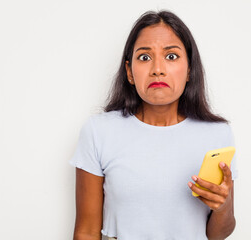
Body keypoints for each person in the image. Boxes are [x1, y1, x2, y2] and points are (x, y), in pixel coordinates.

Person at [69, 9, 238, 240]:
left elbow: (217, 234)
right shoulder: (99, 132)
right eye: (145, 57)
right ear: (129, 72)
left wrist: (223, 206)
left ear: (189, 69)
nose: (158, 69)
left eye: (171, 56)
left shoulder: (217, 135)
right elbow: (86, 231)